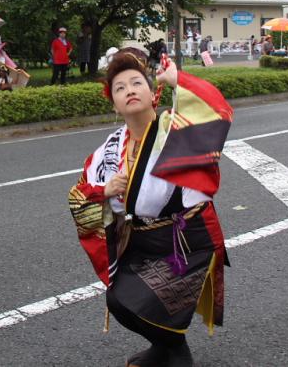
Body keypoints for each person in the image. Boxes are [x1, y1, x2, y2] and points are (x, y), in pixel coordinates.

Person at [69, 48, 233, 367]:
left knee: (143, 300)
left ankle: (175, 352)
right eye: (120, 88)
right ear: (114, 104)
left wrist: (177, 80)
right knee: (118, 300)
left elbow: (218, 111)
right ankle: (166, 347)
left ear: (150, 91)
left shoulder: (172, 129)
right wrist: (104, 191)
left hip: (183, 240)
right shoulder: (109, 149)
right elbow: (78, 196)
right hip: (140, 240)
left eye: (136, 83)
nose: (129, 90)